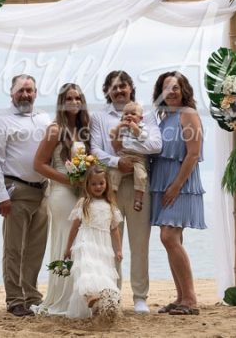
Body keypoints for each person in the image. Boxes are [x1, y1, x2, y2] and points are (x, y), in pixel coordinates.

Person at [89, 70, 162, 314]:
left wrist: (128, 145)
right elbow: (96, 150)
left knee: (140, 243)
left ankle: (140, 297)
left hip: (140, 184)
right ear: (107, 91)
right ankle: (113, 294)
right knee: (111, 242)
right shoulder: (99, 117)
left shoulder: (148, 116)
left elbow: (155, 145)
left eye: (123, 86)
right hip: (112, 182)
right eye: (114, 87)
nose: (119, 90)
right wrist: (117, 161)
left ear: (131, 88)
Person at [0, 74, 51, 317]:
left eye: (30, 90)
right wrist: (0, 195)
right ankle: (14, 299)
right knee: (14, 249)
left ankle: (32, 295)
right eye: (21, 90)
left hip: (43, 191)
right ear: (12, 93)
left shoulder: (44, 118)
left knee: (35, 248)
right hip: (16, 191)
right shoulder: (1, 120)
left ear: (36, 93)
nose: (25, 95)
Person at [30, 83, 91, 316]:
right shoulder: (54, 129)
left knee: (81, 243)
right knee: (66, 242)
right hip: (62, 193)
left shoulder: (85, 129)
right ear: (62, 102)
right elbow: (38, 164)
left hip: (82, 193)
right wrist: (68, 181)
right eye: (69, 98)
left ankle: (79, 298)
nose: (74, 102)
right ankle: (62, 299)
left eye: (78, 98)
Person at [150, 71, 206, 316]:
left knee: (169, 238)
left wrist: (176, 185)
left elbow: (193, 153)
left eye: (176, 87)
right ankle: (181, 297)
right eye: (166, 87)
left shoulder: (188, 114)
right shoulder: (164, 117)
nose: (171, 92)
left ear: (184, 90)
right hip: (163, 184)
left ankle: (190, 299)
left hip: (180, 185)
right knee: (172, 240)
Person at [64, 166, 123, 321]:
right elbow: (75, 227)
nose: (98, 187)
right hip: (86, 240)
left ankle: (100, 306)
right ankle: (90, 295)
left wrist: (119, 250)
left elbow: (115, 229)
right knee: (86, 269)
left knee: (102, 271)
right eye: (94, 184)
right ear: (88, 186)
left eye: (101, 183)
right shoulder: (83, 203)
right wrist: (68, 247)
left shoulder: (110, 205)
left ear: (107, 184)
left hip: (103, 245)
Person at [107, 101, 148, 212]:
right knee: (113, 173)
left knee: (141, 175)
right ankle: (112, 196)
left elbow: (143, 137)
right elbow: (112, 136)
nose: (129, 116)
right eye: (126, 114)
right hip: (123, 156)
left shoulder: (142, 127)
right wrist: (119, 127)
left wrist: (135, 128)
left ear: (141, 118)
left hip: (138, 158)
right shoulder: (121, 127)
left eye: (133, 114)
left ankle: (138, 198)